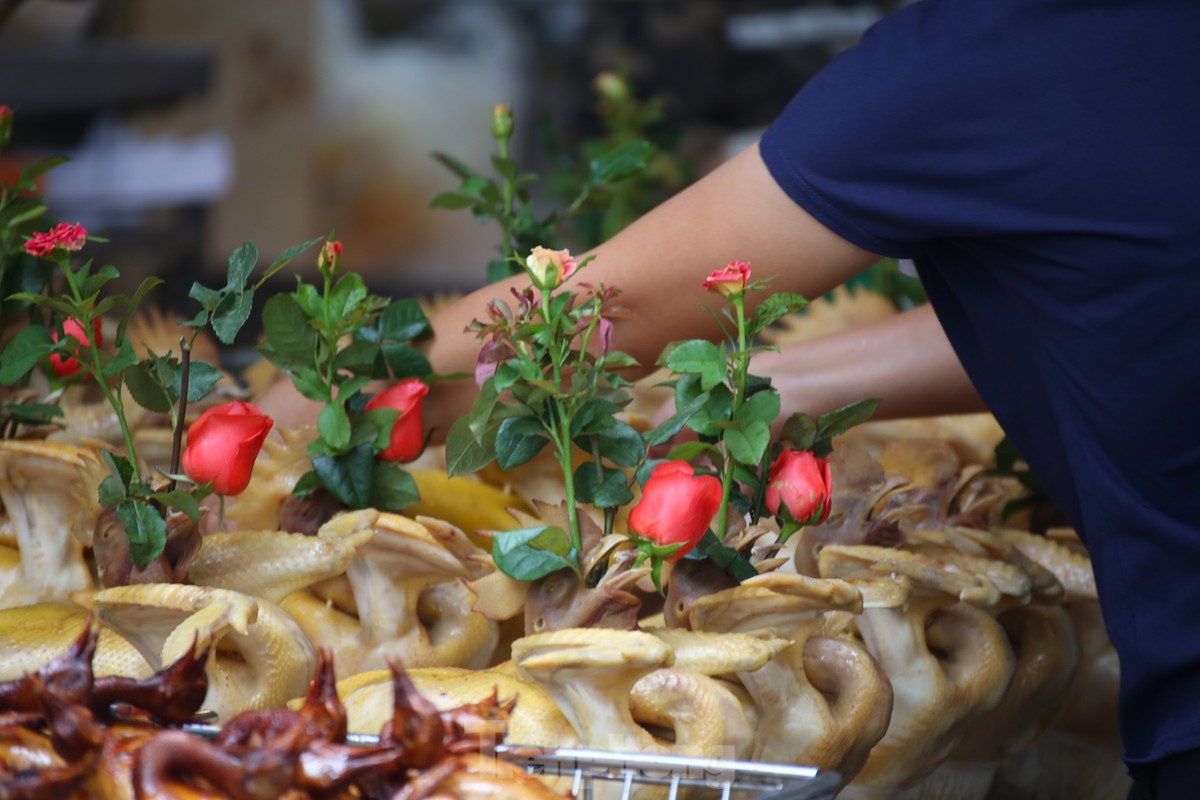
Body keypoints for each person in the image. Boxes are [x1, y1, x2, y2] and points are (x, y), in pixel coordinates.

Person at [260, 0, 1200, 795]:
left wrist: (273, 433)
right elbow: (1112, 293)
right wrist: (797, 382)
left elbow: (585, 318)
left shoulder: (986, 52)